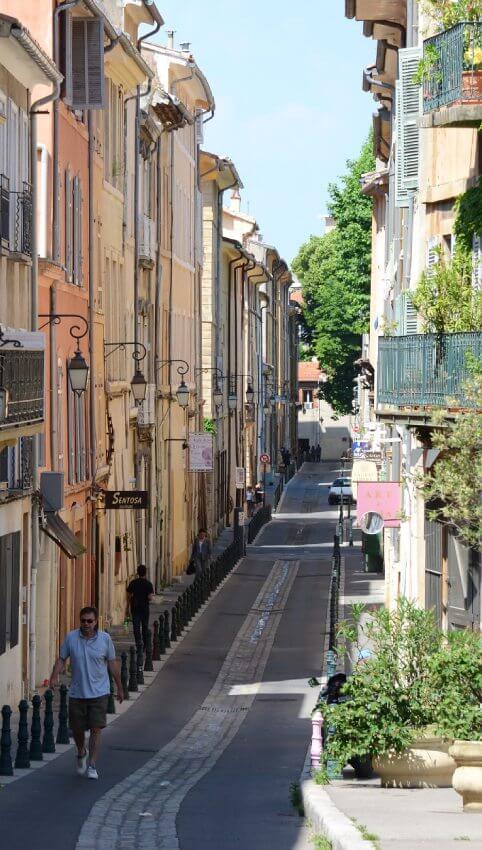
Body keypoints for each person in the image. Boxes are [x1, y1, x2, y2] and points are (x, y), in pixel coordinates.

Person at [49, 606, 123, 780]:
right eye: (83, 621)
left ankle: (92, 765)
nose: (86, 624)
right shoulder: (71, 638)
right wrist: (54, 676)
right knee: (77, 730)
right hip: (77, 692)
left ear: (96, 622)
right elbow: (62, 659)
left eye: (90, 621)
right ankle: (81, 751)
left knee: (96, 729)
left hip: (99, 693)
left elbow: (112, 663)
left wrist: (119, 687)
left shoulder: (105, 639)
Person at [127, 564, 154, 651]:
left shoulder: (133, 583)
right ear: (145, 573)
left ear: (137, 573)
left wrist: (127, 607)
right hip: (145, 608)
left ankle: (138, 643)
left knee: (136, 627)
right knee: (145, 626)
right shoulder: (148, 584)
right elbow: (150, 598)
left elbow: (129, 596)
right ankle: (145, 645)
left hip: (135, 608)